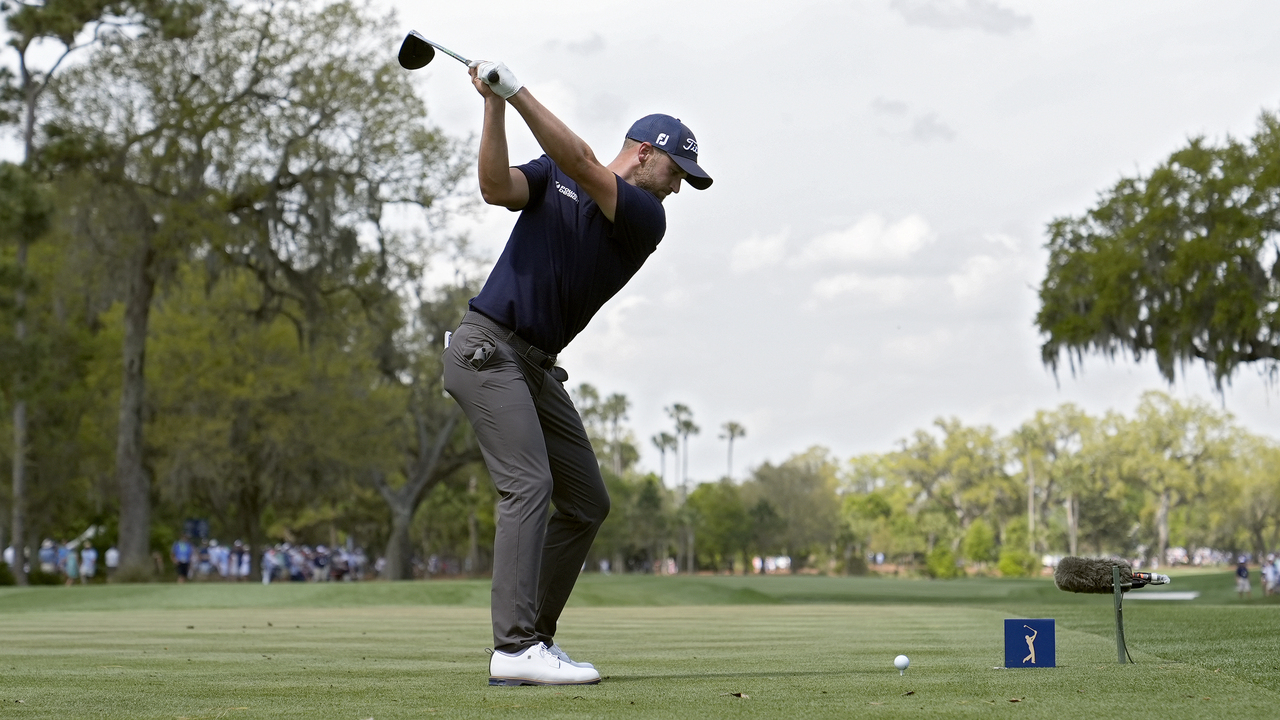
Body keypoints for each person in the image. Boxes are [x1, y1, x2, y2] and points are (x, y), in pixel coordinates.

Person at [442, 58, 711, 687]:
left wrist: (518, 93)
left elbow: (585, 164)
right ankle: (513, 650)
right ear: (645, 155)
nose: (677, 188)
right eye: (677, 172)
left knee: (587, 502)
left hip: (533, 367)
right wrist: (494, 106)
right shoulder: (556, 180)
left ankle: (534, 640)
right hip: (486, 350)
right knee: (529, 486)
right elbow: (494, 188)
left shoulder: (645, 219)